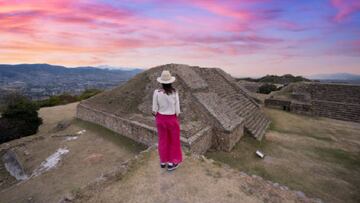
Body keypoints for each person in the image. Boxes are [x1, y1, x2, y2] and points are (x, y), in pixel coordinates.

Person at [152, 70, 183, 171]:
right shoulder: (174, 92)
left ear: (161, 82)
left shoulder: (157, 92)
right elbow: (177, 109)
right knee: (173, 141)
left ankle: (163, 161)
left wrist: (157, 115)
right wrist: (177, 115)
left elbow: (154, 108)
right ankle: (171, 162)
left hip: (160, 119)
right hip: (171, 119)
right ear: (171, 82)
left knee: (162, 140)